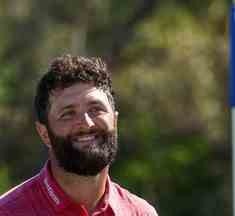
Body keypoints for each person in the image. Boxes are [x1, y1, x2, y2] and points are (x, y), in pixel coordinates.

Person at [0, 55, 158, 216]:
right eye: (68, 114)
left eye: (96, 109)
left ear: (115, 121)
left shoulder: (140, 212)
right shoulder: (7, 212)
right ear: (44, 134)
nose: (87, 123)